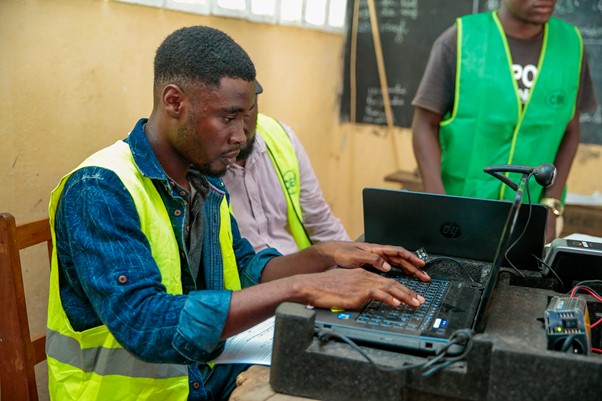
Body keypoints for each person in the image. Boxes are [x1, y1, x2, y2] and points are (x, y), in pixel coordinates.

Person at [46, 26, 430, 401]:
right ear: (174, 101)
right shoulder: (98, 189)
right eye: (227, 118)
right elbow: (146, 323)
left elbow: (246, 267)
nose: (241, 136)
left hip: (211, 377)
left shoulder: (204, 183)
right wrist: (303, 287)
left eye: (245, 118)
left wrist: (325, 255)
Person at [411, 0, 597, 243]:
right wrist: (439, 204)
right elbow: (425, 124)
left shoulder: (571, 44)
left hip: (531, 213)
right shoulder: (460, 39)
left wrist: (550, 208)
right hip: (462, 209)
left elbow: (570, 129)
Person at [223, 87, 350, 254]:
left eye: (248, 110)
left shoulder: (280, 137)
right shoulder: (196, 165)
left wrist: (357, 262)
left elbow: (319, 220)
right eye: (228, 117)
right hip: (250, 279)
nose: (240, 133)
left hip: (298, 269)